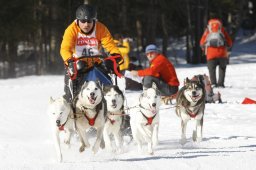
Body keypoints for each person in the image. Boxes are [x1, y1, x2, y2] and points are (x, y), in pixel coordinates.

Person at [60, 4, 122, 103]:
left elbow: (110, 44)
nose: (86, 24)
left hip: (96, 63)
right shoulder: (71, 30)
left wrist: (115, 57)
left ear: (94, 20)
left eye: (89, 21)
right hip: (76, 65)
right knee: (70, 93)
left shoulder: (100, 28)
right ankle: (70, 106)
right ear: (78, 20)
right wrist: (70, 62)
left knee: (109, 83)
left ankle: (113, 107)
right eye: (83, 21)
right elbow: (65, 48)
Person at [200, 18, 232, 88]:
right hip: (222, 53)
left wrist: (203, 48)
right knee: (222, 69)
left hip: (210, 54)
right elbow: (229, 42)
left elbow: (202, 42)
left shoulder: (208, 30)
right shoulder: (222, 29)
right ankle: (220, 84)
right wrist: (227, 46)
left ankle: (213, 83)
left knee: (212, 69)